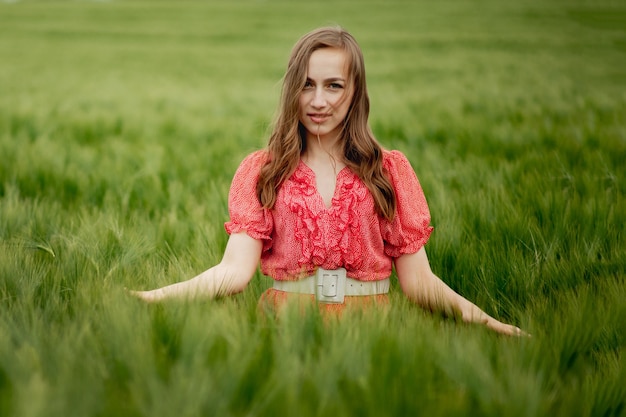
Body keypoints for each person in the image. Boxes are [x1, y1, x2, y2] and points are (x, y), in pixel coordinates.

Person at [130, 26, 526, 336]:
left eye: (333, 85)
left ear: (356, 92)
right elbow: (233, 272)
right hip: (282, 331)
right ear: (292, 91)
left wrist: (486, 321)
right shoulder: (265, 170)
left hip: (369, 334)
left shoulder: (386, 172)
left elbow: (419, 281)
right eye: (307, 85)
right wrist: (155, 297)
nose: (318, 101)